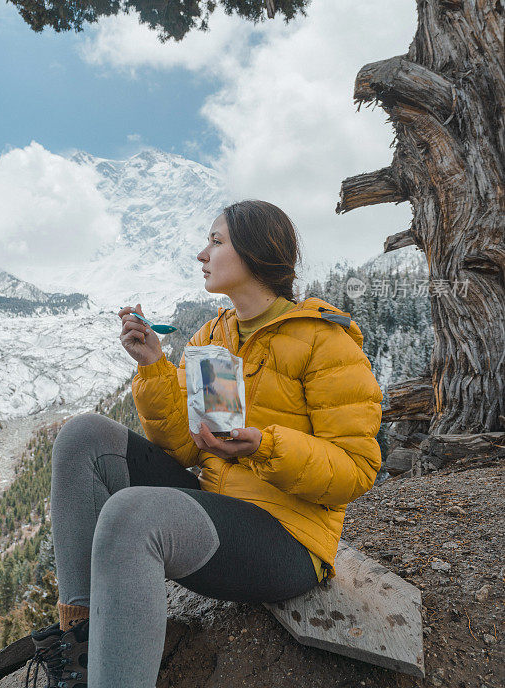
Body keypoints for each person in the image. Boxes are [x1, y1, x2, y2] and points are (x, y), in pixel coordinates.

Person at [26, 199, 383, 688]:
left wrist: (266, 447)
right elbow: (187, 450)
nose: (202, 254)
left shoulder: (325, 342)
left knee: (133, 513)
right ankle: (83, 648)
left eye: (216, 242)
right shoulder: (216, 336)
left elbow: (356, 471)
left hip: (289, 541)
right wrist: (154, 365)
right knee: (83, 436)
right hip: (218, 515)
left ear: (258, 253)